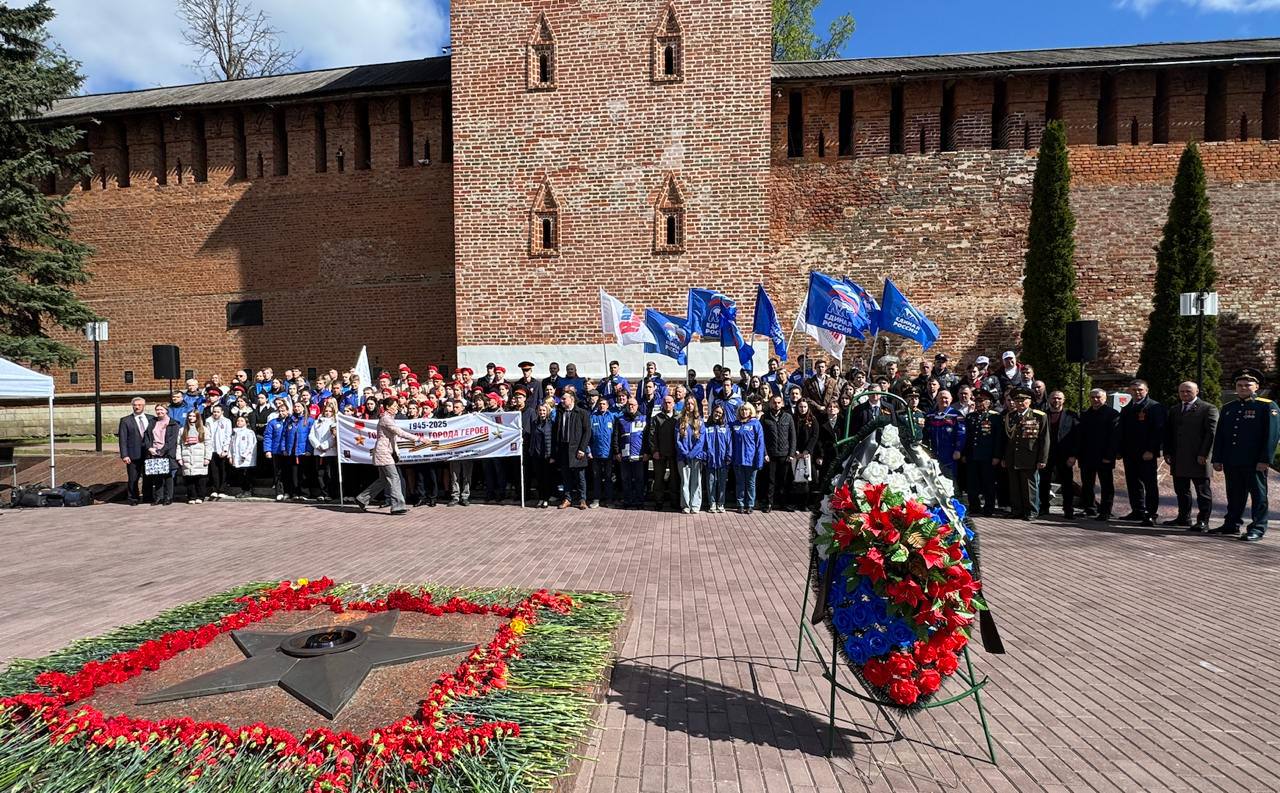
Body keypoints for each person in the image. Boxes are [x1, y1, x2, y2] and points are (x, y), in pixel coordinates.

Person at [1211, 368, 1280, 542]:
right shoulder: (1229, 408)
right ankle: (1231, 524)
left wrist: (1265, 459)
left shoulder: (1266, 406)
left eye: (1247, 385)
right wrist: (1217, 458)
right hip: (1232, 460)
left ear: (1256, 387)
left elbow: (1272, 436)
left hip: (1254, 461)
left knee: (1258, 496)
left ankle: (1257, 528)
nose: (1243, 388)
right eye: (1239, 385)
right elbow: (1221, 436)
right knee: (1234, 494)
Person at [1162, 381, 1218, 531]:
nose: (1185, 394)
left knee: (1202, 492)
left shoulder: (1208, 408)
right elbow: (1169, 433)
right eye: (1182, 391)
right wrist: (1167, 452)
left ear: (1197, 391)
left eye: (1188, 391)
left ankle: (1203, 521)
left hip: (1198, 457)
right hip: (1178, 458)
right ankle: (1183, 518)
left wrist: (1204, 454)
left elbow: (1211, 434)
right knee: (1181, 490)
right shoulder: (1174, 409)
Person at [355, 397, 426, 515]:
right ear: (387, 407)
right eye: (394, 406)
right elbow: (400, 432)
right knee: (394, 477)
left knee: (383, 480)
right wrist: (419, 438)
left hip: (386, 452)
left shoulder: (389, 418)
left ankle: (362, 499)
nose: (396, 408)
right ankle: (397, 506)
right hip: (383, 453)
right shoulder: (385, 419)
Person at [1118, 379, 1166, 527]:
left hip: (1146, 454)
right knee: (1133, 483)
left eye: (1140, 389)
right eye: (1134, 390)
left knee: (1150, 484)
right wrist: (1120, 450)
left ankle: (1151, 514)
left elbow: (1158, 430)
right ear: (1129, 391)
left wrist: (1151, 450)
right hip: (1129, 453)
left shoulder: (1154, 407)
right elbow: (1121, 431)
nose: (1137, 392)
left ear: (1146, 390)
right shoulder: (1127, 408)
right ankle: (1137, 510)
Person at [1002, 386, 1049, 521]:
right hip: (1013, 457)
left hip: (1030, 457)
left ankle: (1031, 511)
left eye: (1023, 400)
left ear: (1030, 401)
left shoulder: (1039, 416)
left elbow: (1044, 439)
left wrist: (1042, 459)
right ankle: (1017, 510)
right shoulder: (1010, 416)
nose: (1020, 403)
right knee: (1014, 486)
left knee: (1030, 486)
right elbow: (1006, 440)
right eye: (1017, 401)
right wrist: (1004, 457)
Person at [1077, 388, 1120, 521]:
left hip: (1104, 456)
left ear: (1105, 398)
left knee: (1106, 485)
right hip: (1086, 456)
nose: (1095, 400)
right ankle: (1089, 508)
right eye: (1092, 397)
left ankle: (1105, 511)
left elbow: (1114, 437)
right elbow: (1080, 436)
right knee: (1087, 484)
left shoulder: (1112, 414)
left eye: (1098, 397)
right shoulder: (1085, 414)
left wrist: (1109, 456)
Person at [1039, 391, 1079, 519]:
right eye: (1054, 398)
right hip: (1047, 454)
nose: (1056, 401)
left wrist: (1073, 455)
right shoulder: (1043, 415)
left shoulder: (1071, 415)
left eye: (1059, 398)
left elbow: (1077, 437)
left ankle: (1068, 509)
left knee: (1067, 483)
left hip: (1065, 455)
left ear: (1063, 400)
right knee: (1044, 482)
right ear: (1049, 399)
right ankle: (1044, 507)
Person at [963, 390, 1002, 516]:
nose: (979, 403)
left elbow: (998, 438)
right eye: (977, 401)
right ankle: (974, 507)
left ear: (988, 402)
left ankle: (989, 508)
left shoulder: (995, 417)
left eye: (981, 401)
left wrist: (997, 455)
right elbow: (967, 437)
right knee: (972, 483)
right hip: (972, 455)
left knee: (988, 483)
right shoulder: (970, 417)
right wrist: (965, 454)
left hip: (987, 456)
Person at [553, 390, 592, 509]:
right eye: (562, 399)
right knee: (566, 476)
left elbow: (587, 432)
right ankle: (567, 498)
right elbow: (556, 431)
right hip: (564, 449)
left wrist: (582, 448)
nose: (562, 401)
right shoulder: (560, 413)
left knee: (580, 476)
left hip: (577, 449)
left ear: (572, 399)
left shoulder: (582, 413)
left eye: (564, 399)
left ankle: (582, 499)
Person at [760, 394, 796, 513]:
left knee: (784, 481)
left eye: (779, 402)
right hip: (770, 455)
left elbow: (793, 437)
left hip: (785, 454)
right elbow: (761, 438)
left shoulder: (788, 417)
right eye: (774, 402)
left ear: (782, 403)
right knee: (770, 481)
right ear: (770, 403)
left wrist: (791, 454)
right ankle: (769, 503)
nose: (776, 405)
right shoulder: (765, 418)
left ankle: (783, 503)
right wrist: (765, 453)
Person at [645, 394, 680, 510]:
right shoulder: (657, 418)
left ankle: (674, 501)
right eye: (665, 402)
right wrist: (654, 450)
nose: (667, 404)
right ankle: (658, 501)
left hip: (675, 453)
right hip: (659, 453)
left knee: (674, 479)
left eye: (669, 402)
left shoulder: (678, 418)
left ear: (673, 404)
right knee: (658, 478)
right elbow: (652, 435)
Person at [117, 397, 153, 506]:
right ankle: (133, 498)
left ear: (144, 406)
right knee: (133, 478)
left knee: (148, 476)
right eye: (135, 405)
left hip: (148, 453)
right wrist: (124, 455)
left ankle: (148, 497)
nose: (137, 407)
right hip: (133, 453)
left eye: (139, 405)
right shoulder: (126, 420)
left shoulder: (151, 419)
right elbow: (123, 439)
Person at [731, 403, 766, 514]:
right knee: (740, 483)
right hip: (737, 459)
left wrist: (759, 461)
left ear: (750, 411)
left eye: (746, 410)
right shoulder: (734, 424)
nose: (744, 412)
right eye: (742, 410)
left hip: (751, 460)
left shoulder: (756, 424)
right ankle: (740, 504)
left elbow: (760, 443)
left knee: (751, 483)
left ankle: (750, 504)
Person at [924, 390, 966, 483]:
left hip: (950, 454)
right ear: (937, 400)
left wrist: (958, 450)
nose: (943, 400)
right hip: (933, 453)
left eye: (946, 398)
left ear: (951, 399)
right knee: (933, 480)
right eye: (941, 398)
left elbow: (961, 434)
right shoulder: (930, 415)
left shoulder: (957, 415)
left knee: (950, 480)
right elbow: (925, 434)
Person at [614, 397, 648, 509]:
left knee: (639, 480)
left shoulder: (643, 419)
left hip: (639, 455)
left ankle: (639, 501)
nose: (631, 407)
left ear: (637, 406)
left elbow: (647, 437)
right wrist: (617, 452)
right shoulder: (620, 419)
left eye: (633, 405)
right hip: (625, 455)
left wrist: (647, 452)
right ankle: (627, 500)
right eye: (629, 405)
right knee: (626, 479)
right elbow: (616, 437)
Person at [145, 404, 179, 506]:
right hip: (154, 451)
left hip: (166, 453)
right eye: (157, 410)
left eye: (161, 410)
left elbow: (172, 440)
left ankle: (168, 497)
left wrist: (162, 451)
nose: (159, 412)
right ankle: (158, 497)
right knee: (157, 476)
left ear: (166, 410)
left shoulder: (173, 423)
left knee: (168, 476)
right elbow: (147, 436)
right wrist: (149, 448)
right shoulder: (152, 422)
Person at [675, 401, 706, 513]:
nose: (689, 406)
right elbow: (677, 440)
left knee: (696, 482)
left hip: (696, 456)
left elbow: (701, 441)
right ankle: (686, 505)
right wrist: (685, 453)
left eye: (692, 404)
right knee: (685, 482)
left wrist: (692, 454)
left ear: (695, 406)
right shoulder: (680, 421)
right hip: (682, 457)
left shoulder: (700, 422)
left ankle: (695, 505)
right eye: (687, 404)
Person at [588, 395, 617, 508]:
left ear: (608, 406)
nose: (602, 406)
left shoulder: (612, 417)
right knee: (596, 477)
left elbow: (615, 435)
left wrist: (615, 452)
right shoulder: (592, 417)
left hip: (609, 453)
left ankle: (609, 499)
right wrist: (588, 450)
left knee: (609, 477)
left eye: (604, 404)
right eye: (600, 404)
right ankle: (596, 499)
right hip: (595, 453)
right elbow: (588, 435)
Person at [282, 400, 314, 500]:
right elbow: (284, 435)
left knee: (304, 474)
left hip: (303, 451)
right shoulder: (290, 420)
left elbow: (311, 436)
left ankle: (305, 494)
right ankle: (295, 493)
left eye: (299, 406)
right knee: (293, 474)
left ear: (303, 408)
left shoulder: (309, 420)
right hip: (291, 451)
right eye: (295, 406)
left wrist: (309, 450)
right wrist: (284, 448)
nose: (297, 408)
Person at [176, 410, 211, 504]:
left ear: (197, 417)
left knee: (200, 479)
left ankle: (200, 496)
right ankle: (192, 496)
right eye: (189, 416)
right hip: (187, 457)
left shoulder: (203, 429)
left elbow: (208, 444)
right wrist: (179, 458)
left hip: (200, 457)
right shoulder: (182, 430)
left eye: (193, 416)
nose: (191, 418)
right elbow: (178, 445)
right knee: (189, 479)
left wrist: (207, 457)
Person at [792, 397, 821, 509]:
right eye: (800, 407)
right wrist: (796, 450)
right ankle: (797, 503)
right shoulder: (794, 418)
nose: (802, 409)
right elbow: (792, 435)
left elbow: (815, 436)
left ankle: (808, 503)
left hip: (809, 454)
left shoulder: (813, 420)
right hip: (796, 453)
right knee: (797, 478)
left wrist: (807, 450)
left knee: (809, 478)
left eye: (804, 407)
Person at [703, 404, 732, 513]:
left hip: (722, 460)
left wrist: (729, 456)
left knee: (722, 482)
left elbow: (729, 443)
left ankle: (721, 503)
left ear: (722, 415)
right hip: (710, 459)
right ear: (713, 412)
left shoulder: (726, 427)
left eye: (720, 413)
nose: (717, 414)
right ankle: (712, 504)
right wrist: (704, 456)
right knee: (711, 483)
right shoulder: (706, 426)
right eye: (716, 412)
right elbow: (703, 443)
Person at [309, 401, 339, 501]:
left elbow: (333, 436)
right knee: (320, 474)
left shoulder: (335, 422)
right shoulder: (317, 421)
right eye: (326, 411)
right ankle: (323, 493)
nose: (328, 413)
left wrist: (325, 445)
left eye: (330, 411)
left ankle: (331, 493)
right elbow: (311, 435)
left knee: (329, 474)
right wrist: (317, 445)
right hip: (318, 451)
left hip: (330, 452)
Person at [263, 398, 290, 502]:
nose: (282, 413)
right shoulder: (273, 422)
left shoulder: (291, 421)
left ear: (287, 411)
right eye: (280, 411)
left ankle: (288, 491)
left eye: (283, 411)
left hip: (288, 451)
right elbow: (268, 436)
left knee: (288, 472)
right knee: (278, 473)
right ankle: (279, 492)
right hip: (276, 451)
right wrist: (267, 450)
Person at [204, 404, 233, 500]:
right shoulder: (208, 421)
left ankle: (222, 490)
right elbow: (207, 435)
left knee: (223, 470)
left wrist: (225, 449)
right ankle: (214, 489)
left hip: (222, 449)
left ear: (222, 412)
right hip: (212, 449)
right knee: (213, 470)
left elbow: (228, 436)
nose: (216, 414)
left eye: (218, 412)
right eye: (214, 412)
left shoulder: (226, 421)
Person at [230, 415, 258, 497]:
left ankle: (248, 491)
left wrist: (245, 454)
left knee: (247, 475)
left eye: (242, 421)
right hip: (237, 457)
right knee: (240, 475)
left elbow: (251, 445)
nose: (239, 422)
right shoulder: (234, 432)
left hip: (247, 458)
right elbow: (231, 445)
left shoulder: (249, 432)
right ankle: (243, 490)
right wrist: (230, 456)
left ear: (246, 422)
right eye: (238, 421)